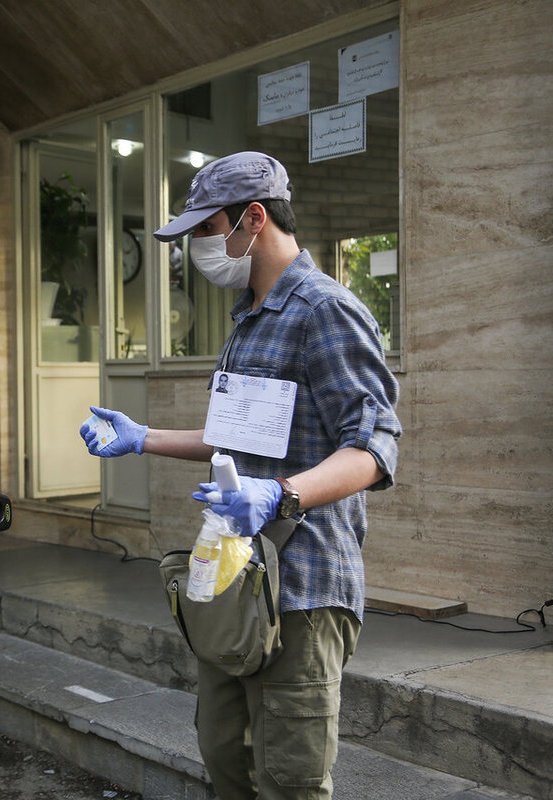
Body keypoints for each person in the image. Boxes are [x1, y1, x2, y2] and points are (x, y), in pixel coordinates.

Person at [81, 151, 401, 800]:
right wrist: (143, 437)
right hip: (233, 581)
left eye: (205, 230)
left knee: (288, 780)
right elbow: (236, 438)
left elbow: (373, 450)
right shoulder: (248, 319)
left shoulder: (324, 311)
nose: (198, 247)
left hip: (303, 591)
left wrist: (281, 494)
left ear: (254, 219)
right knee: (226, 759)